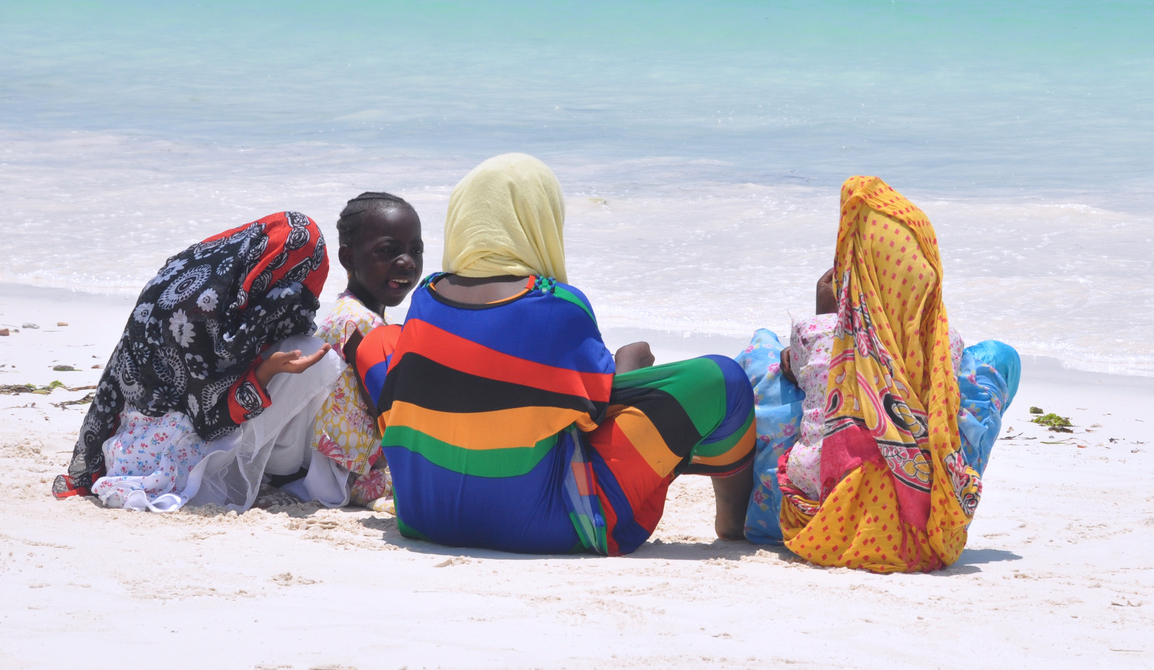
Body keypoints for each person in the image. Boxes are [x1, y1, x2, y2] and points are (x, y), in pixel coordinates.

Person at [353, 153, 756, 555]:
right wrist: (629, 364)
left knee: (380, 343)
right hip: (549, 525)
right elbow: (596, 413)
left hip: (424, 516)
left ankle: (423, 469)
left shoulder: (427, 299)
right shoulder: (557, 305)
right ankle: (732, 524)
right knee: (724, 379)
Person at [735, 176, 1021, 572]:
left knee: (763, 350)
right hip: (919, 518)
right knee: (993, 362)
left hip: (814, 512)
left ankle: (752, 504)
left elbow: (812, 366)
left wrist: (827, 316)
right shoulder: (945, 344)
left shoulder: (814, 332)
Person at [53, 212, 338, 507]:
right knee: (311, 353)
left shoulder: (196, 275)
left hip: (127, 441)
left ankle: (277, 467)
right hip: (168, 462)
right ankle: (282, 471)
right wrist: (266, 371)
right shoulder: (200, 313)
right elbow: (209, 421)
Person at [307, 191, 425, 508]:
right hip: (351, 475)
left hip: (336, 463)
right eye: (388, 251)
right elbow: (387, 412)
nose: (407, 261)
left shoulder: (349, 312)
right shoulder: (360, 325)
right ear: (348, 258)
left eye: (416, 250)